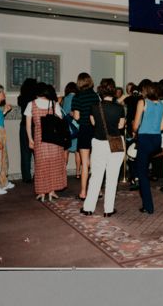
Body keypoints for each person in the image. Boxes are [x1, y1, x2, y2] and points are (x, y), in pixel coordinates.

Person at [80, 78, 125, 217]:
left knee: (96, 176)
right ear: (114, 91)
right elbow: (121, 126)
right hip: (116, 142)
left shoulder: (95, 106)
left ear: (100, 90)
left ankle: (88, 207)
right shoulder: (119, 108)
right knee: (112, 178)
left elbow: (93, 123)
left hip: (99, 143)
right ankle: (108, 210)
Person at [25, 82, 67, 202]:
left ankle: (42, 192)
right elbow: (60, 120)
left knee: (41, 165)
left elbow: (28, 124)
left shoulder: (31, 104)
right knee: (54, 164)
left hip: (40, 139)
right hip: (54, 139)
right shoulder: (54, 104)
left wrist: (30, 139)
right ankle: (52, 191)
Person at [132, 81, 163, 214]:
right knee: (144, 168)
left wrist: (134, 125)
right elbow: (162, 127)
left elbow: (135, 126)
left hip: (145, 138)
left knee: (142, 173)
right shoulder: (161, 104)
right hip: (157, 139)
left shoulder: (143, 102)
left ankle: (148, 206)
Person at [71, 72, 100, 200]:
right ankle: (97, 191)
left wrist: (73, 114)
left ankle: (83, 192)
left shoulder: (77, 97)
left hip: (84, 130)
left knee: (85, 163)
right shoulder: (95, 96)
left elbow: (77, 117)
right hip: (95, 131)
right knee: (95, 163)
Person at [17, 78, 37, 183]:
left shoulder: (21, 98)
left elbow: (20, 103)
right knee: (37, 152)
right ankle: (37, 175)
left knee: (25, 152)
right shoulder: (36, 98)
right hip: (35, 126)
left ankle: (26, 177)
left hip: (24, 126)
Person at [61, 81, 81, 179]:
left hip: (66, 128)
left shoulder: (64, 99)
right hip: (76, 128)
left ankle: (63, 172)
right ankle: (77, 173)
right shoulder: (78, 98)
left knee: (66, 151)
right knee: (78, 151)